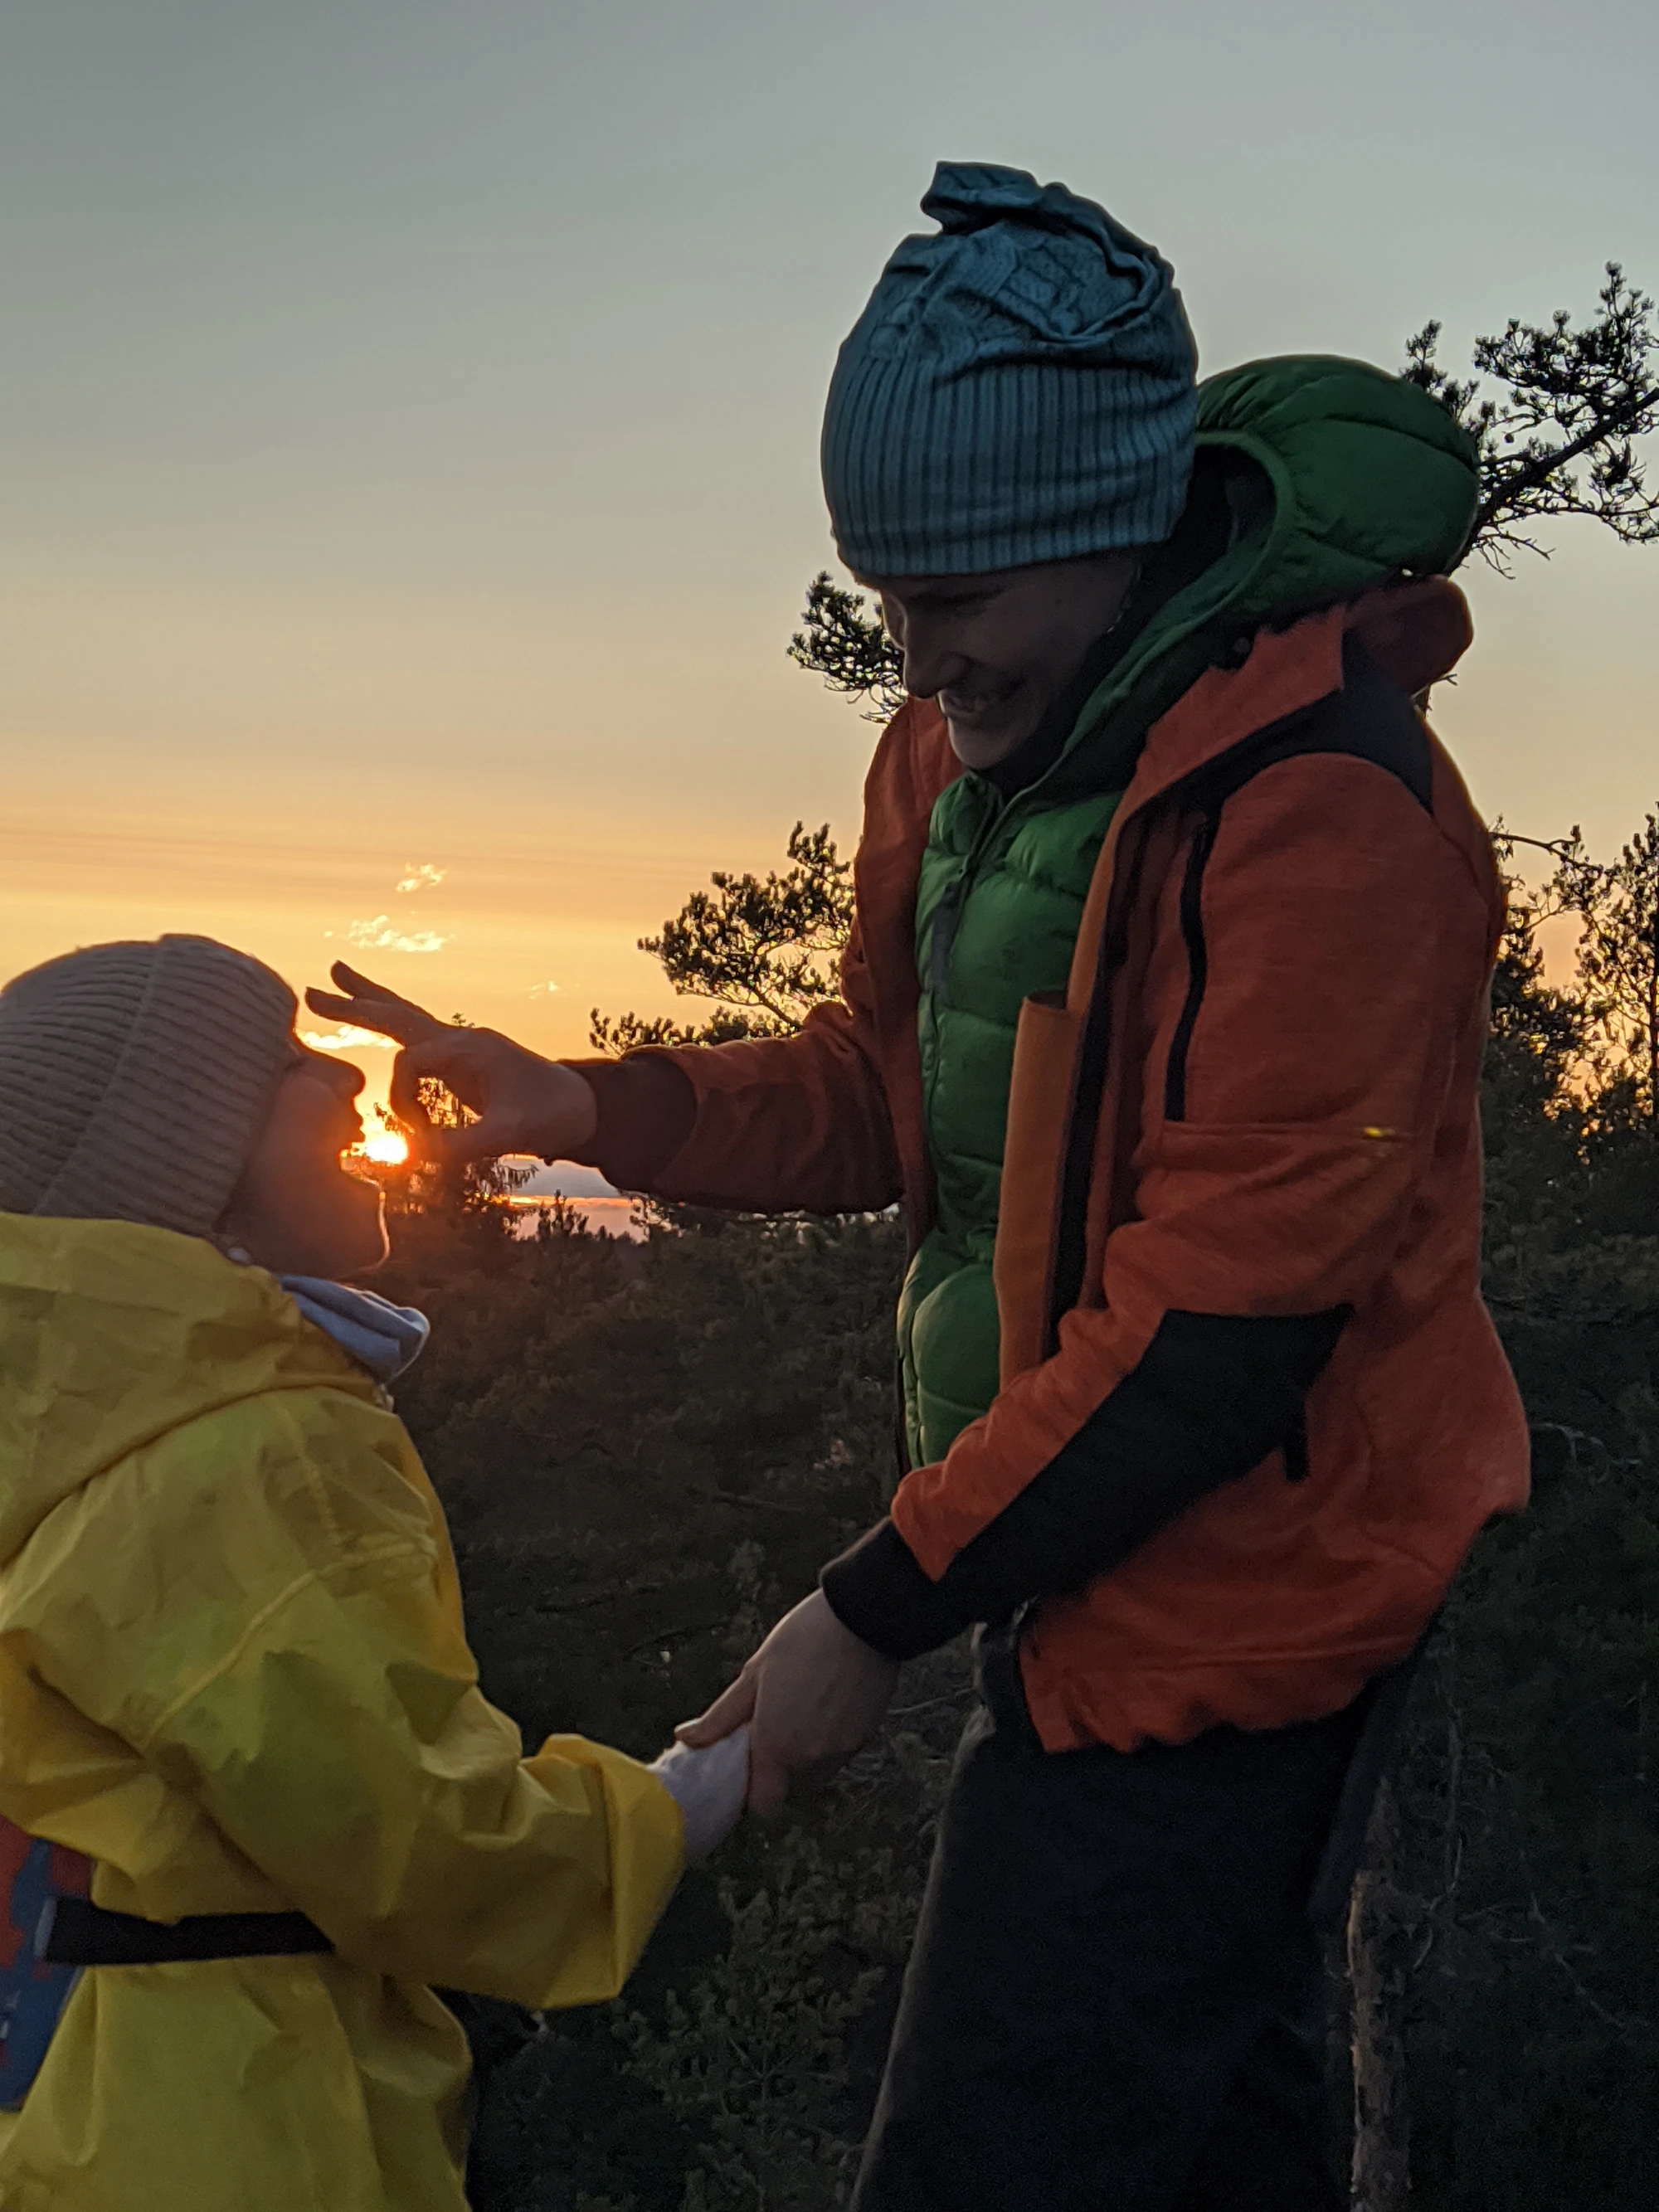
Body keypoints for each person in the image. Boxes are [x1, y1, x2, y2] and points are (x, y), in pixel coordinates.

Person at [315, 163, 1530, 2210]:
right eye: (887, 593)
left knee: (986, 2151)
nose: (915, 649)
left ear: (1116, 522)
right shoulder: (965, 759)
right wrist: (587, 1101)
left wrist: (870, 1609)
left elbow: (1222, 1327)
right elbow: (886, 1095)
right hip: (1085, 1557)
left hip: (1254, 1592)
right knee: (1212, 2130)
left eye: (957, 593)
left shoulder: (1324, 805)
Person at [0, 932, 748, 2212]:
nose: (347, 1076)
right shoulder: (249, 1447)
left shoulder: (81, 1426)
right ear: (186, 1163)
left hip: (88, 2109)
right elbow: (423, 1843)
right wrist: (691, 1794)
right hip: (247, 2131)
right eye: (285, 1061)